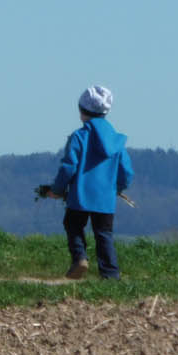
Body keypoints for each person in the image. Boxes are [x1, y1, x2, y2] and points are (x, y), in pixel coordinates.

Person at [44, 85, 134, 280]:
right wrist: (118, 187)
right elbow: (127, 171)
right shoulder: (116, 141)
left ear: (81, 110)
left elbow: (69, 167)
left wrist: (57, 189)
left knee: (72, 224)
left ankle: (80, 258)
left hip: (80, 195)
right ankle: (110, 275)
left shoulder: (79, 136)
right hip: (105, 198)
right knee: (104, 234)